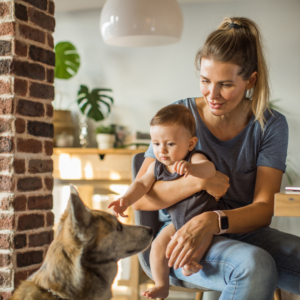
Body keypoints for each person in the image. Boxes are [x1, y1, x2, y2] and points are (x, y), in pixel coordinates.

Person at [131, 17, 300, 300]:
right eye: (205, 81)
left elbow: (262, 210)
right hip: (178, 237)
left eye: (226, 84)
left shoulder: (270, 124)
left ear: (251, 80)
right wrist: (200, 184)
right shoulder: (179, 117)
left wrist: (213, 220)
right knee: (253, 266)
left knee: (254, 258)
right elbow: (142, 198)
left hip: (243, 232)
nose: (212, 94)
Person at [109, 104, 223, 299]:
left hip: (202, 219)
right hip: (175, 222)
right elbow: (141, 185)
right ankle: (161, 284)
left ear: (190, 143)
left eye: (170, 144)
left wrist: (192, 169)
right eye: (156, 143)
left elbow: (209, 170)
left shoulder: (194, 158)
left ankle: (190, 261)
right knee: (157, 246)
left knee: (202, 238)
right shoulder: (157, 166)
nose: (162, 150)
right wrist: (126, 199)